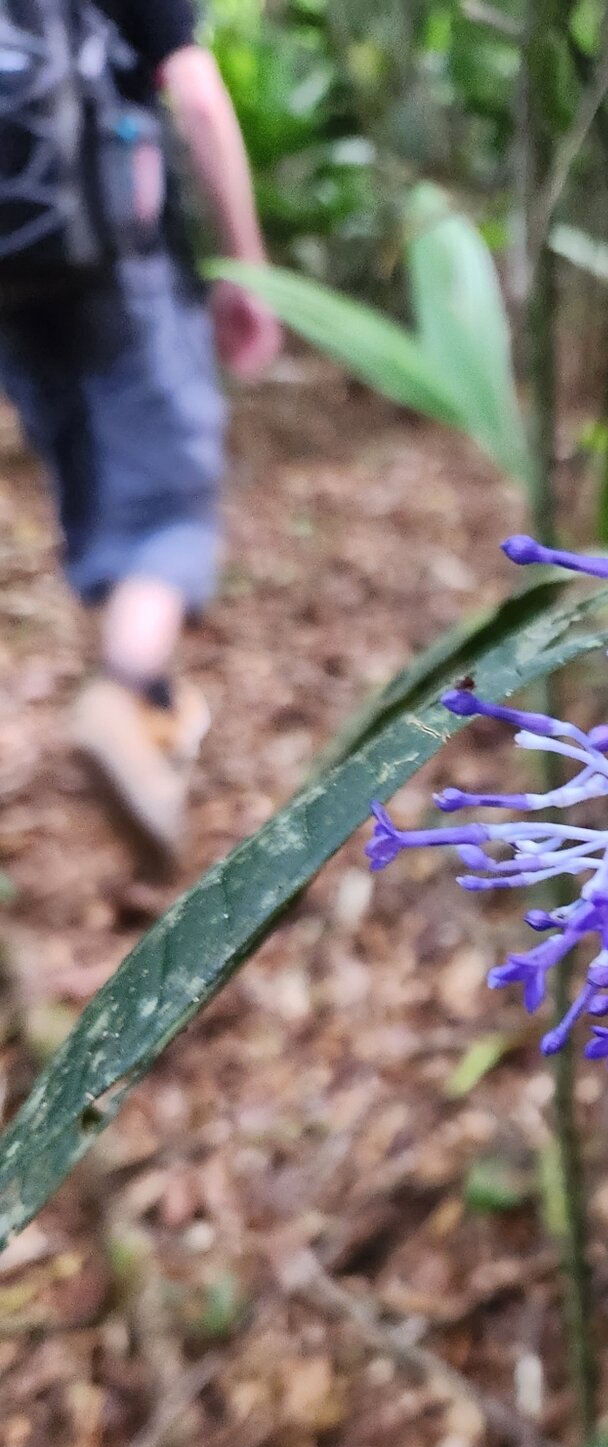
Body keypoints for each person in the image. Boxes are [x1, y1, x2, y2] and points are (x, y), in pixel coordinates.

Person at [0, 0, 280, 864]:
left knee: (91, 489)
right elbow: (194, 90)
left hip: (15, 278)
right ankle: (125, 701)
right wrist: (249, 267)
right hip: (121, 264)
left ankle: (151, 715)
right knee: (169, 504)